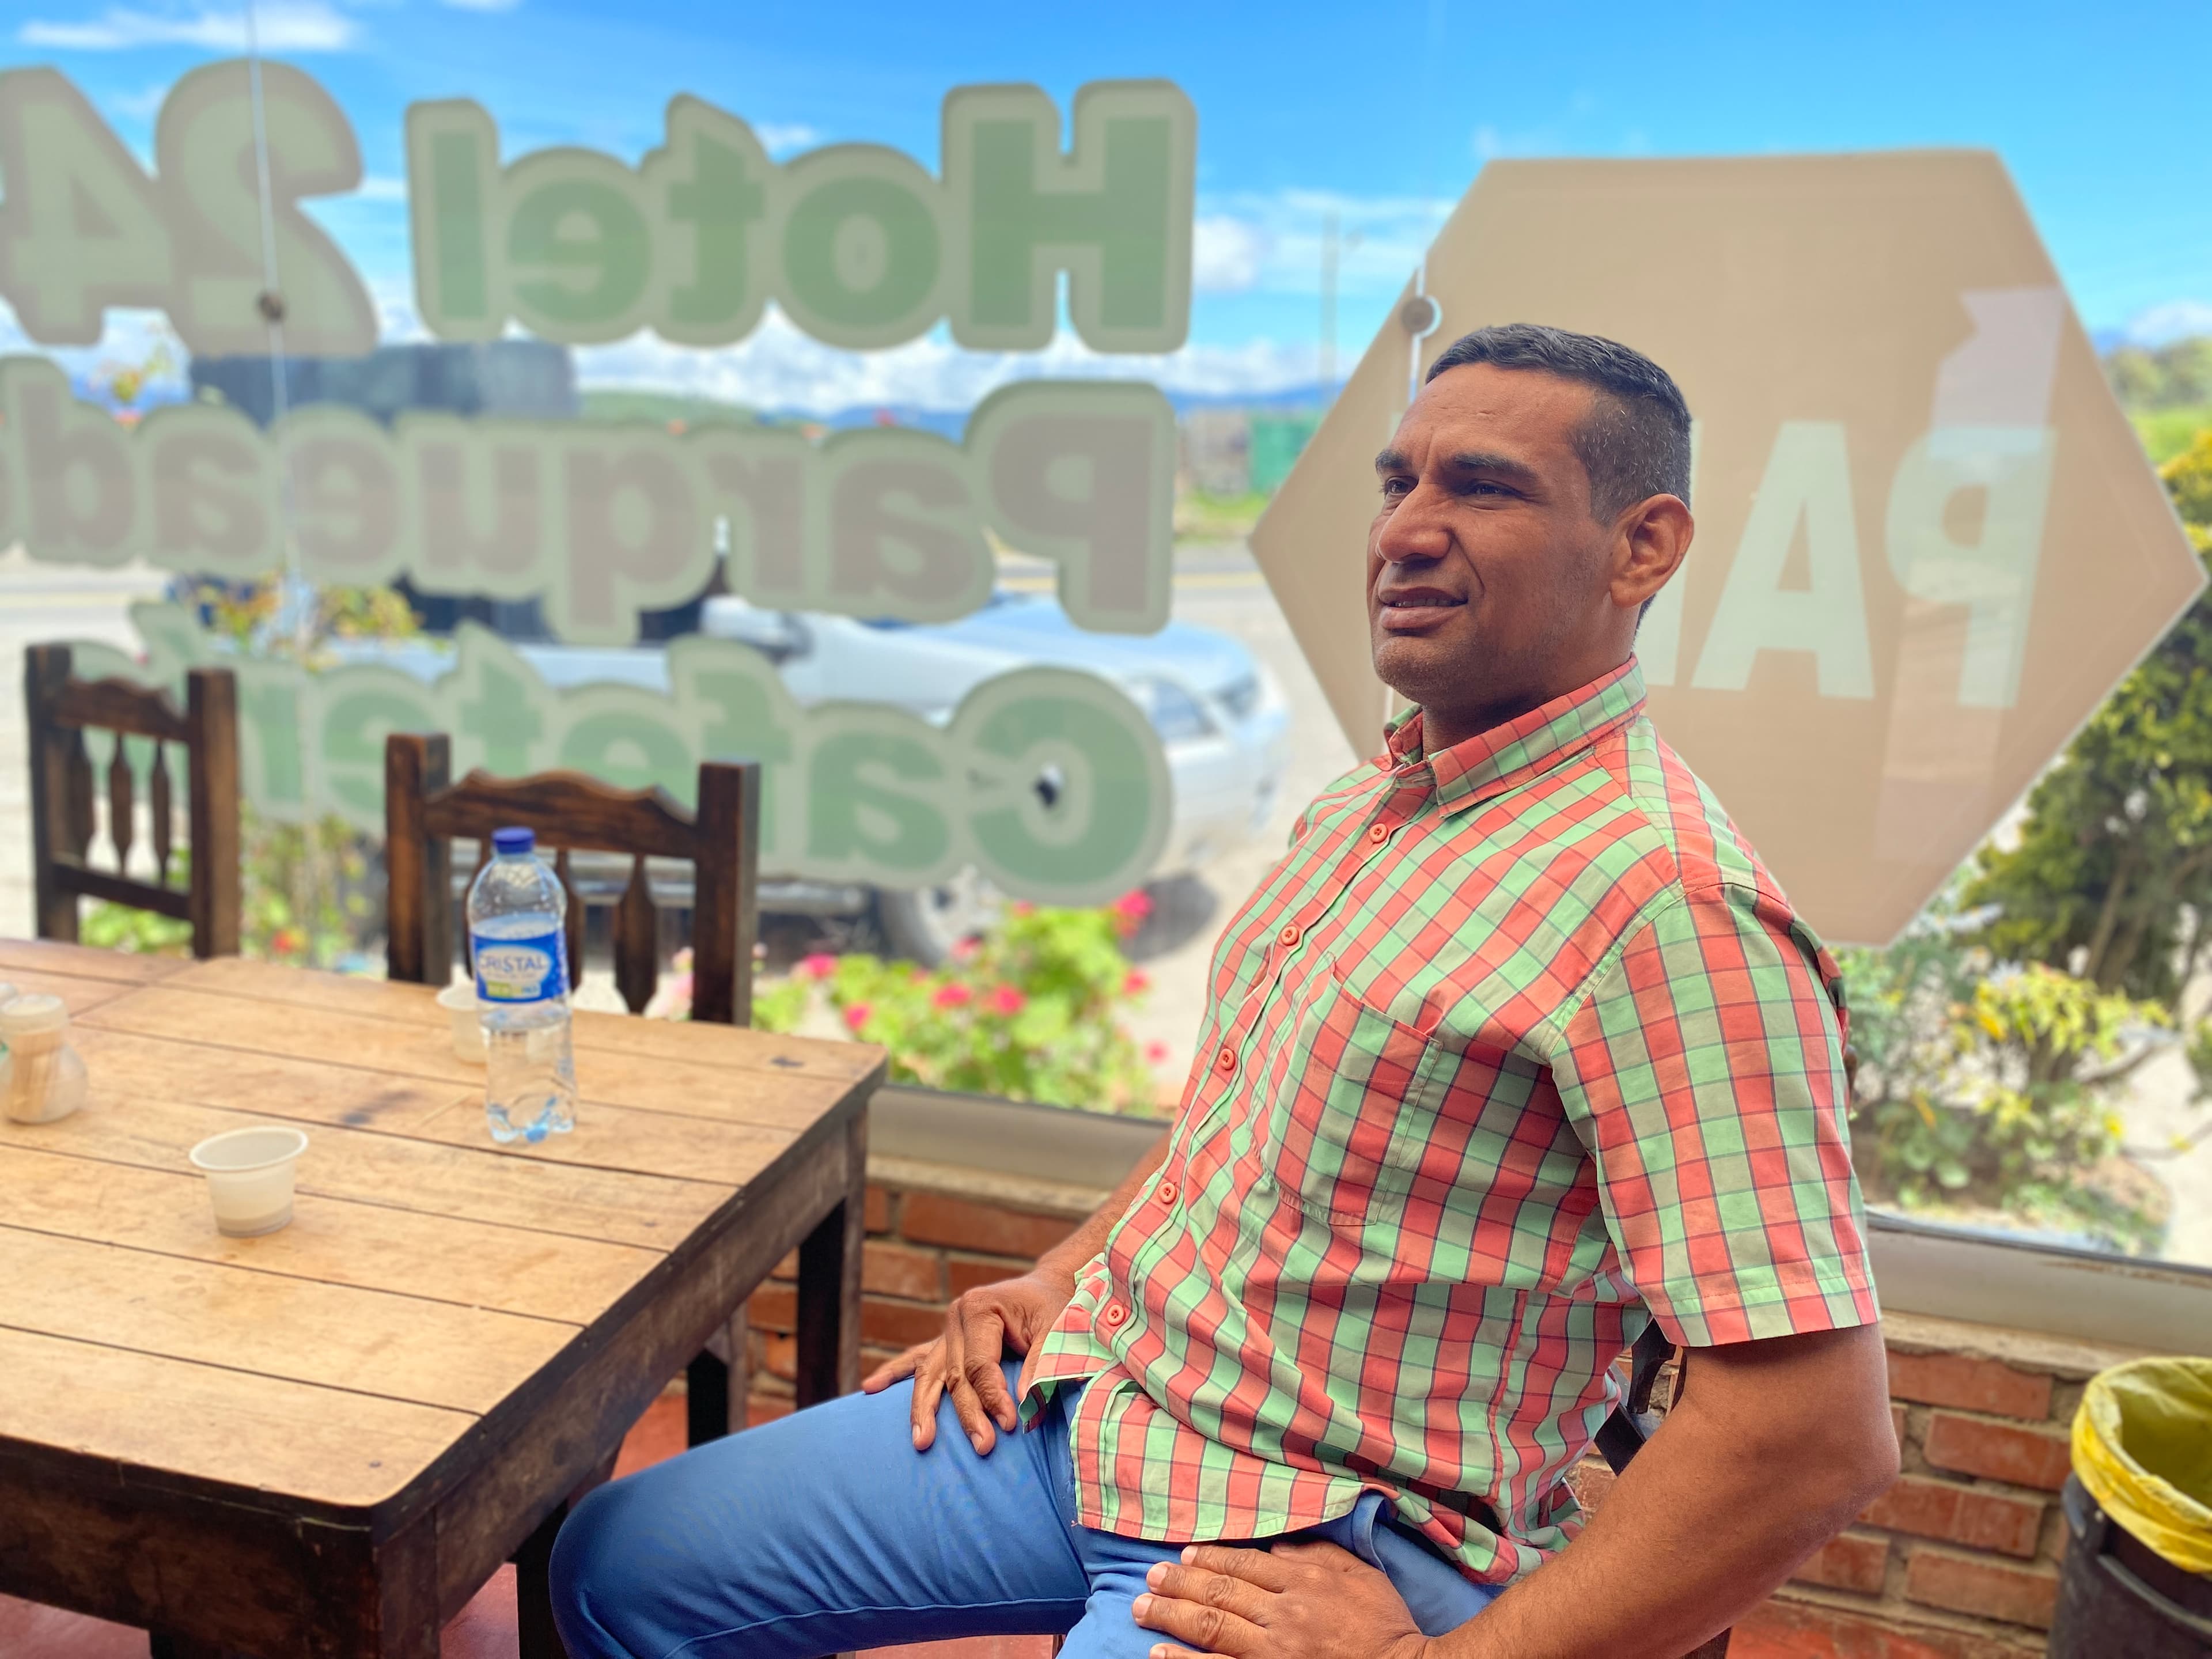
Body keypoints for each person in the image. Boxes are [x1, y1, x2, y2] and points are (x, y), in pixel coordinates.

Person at [550, 323, 1900, 1659]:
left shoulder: (1667, 909)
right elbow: (1242, 1129)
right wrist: (1059, 1276)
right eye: (1397, 483)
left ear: (1643, 545)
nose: (1406, 531)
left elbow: (1810, 1437)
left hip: (1320, 1533)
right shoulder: (1367, 809)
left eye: (1481, 486)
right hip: (1103, 1406)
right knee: (618, 1570)